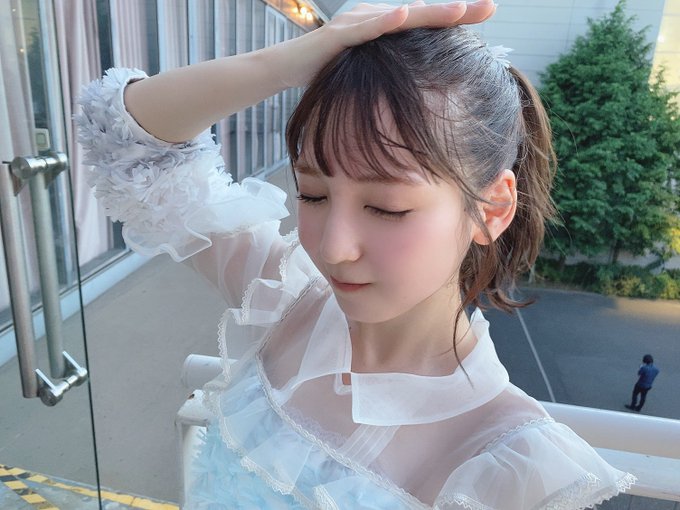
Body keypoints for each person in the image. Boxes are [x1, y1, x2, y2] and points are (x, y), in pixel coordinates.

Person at [76, 1, 636, 508]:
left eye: (386, 207)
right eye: (313, 194)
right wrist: (291, 61)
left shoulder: (509, 465)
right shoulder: (284, 300)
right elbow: (125, 140)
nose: (332, 247)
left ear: (492, 209)